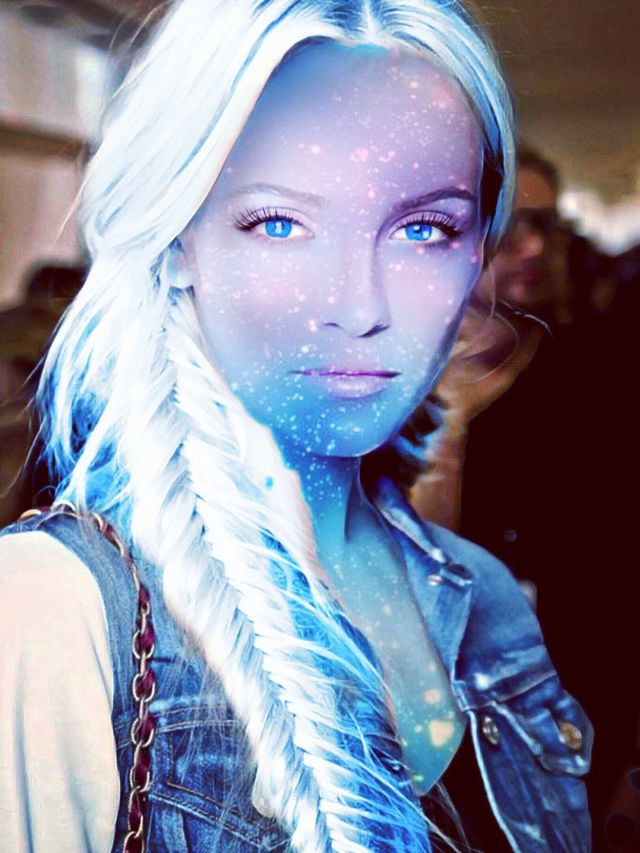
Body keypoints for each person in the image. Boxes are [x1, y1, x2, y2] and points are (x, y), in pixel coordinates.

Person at [0, 2, 591, 851]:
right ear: (176, 239)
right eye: (278, 223)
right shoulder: (51, 613)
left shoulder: (487, 601)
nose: (359, 306)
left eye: (424, 228)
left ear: (476, 251)